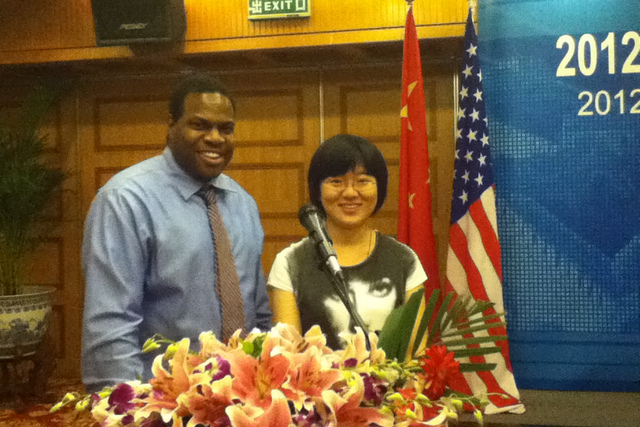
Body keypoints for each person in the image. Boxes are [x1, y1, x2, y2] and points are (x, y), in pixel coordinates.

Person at [81, 73, 271, 392]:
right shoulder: (125, 200)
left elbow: (259, 312)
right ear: (172, 125)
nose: (215, 138)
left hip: (241, 397)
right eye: (200, 125)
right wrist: (124, 405)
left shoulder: (243, 203)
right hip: (161, 399)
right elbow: (111, 324)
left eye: (226, 129)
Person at [267, 134, 426, 349]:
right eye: (336, 181)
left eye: (363, 181)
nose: (350, 193)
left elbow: (416, 352)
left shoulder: (404, 259)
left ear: (379, 188)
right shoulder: (290, 262)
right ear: (317, 189)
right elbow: (288, 356)